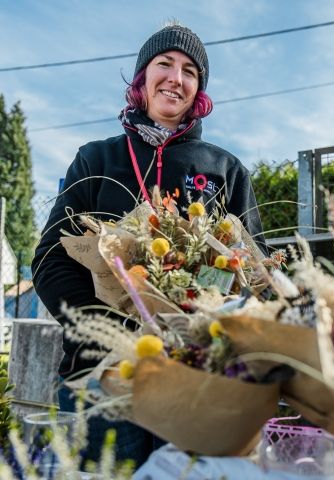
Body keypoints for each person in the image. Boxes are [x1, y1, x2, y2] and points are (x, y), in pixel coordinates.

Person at [32, 22, 267, 468]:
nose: (176, 77)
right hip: (102, 372)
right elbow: (50, 259)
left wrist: (198, 334)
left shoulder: (225, 170)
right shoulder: (96, 159)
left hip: (193, 377)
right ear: (142, 78)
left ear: (198, 90)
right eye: (165, 64)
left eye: (190, 70)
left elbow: (253, 277)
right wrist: (111, 335)